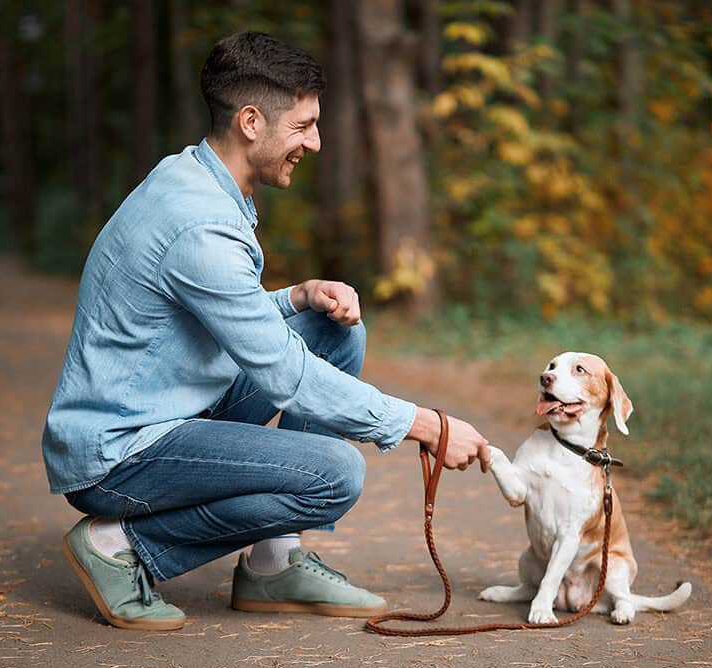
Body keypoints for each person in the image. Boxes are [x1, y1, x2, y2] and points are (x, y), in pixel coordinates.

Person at [42, 31, 491, 631]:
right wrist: (425, 425)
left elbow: (218, 319)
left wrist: (297, 297)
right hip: (120, 452)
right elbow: (286, 375)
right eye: (303, 125)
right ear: (251, 121)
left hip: (170, 410)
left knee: (332, 333)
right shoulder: (198, 223)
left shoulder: (194, 176)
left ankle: (274, 563)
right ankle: (120, 543)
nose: (316, 142)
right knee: (335, 473)